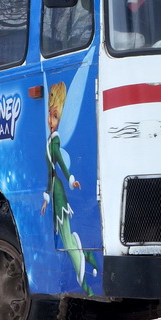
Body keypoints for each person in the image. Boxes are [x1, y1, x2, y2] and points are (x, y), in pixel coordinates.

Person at [41, 81, 98, 294]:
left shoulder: (54, 142)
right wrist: (46, 198)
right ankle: (89, 257)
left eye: (55, 116)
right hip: (54, 194)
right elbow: (50, 174)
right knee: (64, 236)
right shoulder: (49, 140)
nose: (51, 120)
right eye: (50, 114)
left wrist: (71, 179)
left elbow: (61, 167)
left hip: (59, 195)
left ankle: (85, 285)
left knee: (65, 238)